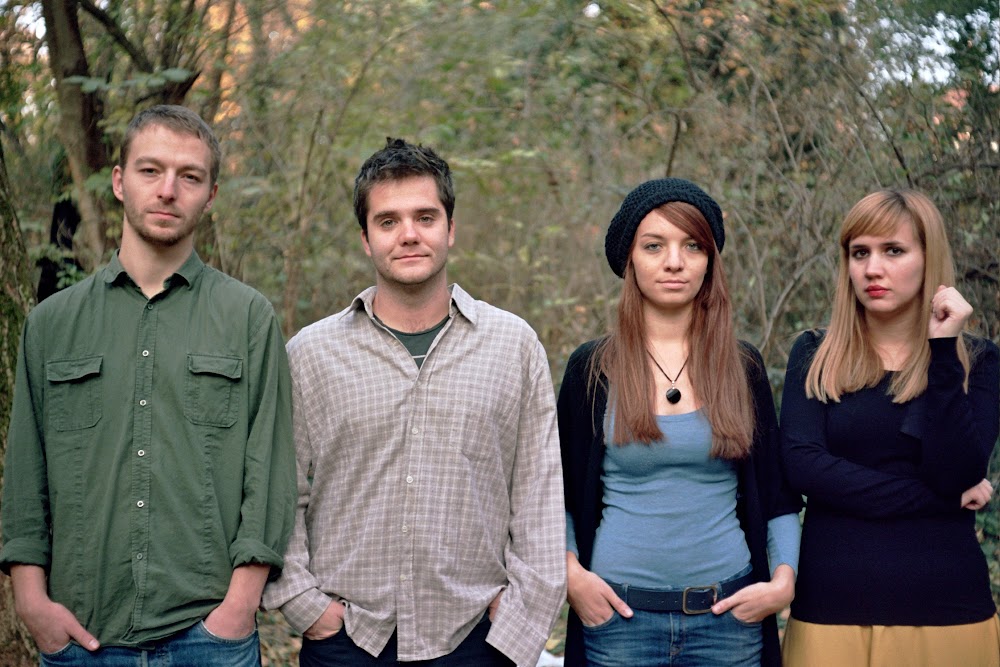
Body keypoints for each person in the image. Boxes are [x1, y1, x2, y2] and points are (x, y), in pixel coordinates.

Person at [0, 104, 297, 666]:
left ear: (210, 195)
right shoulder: (52, 325)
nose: (168, 190)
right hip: (81, 638)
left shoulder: (248, 318)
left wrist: (238, 609)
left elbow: (270, 472)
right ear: (119, 181)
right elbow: (24, 474)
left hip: (209, 639)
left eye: (190, 177)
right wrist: (32, 601)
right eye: (150, 170)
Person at [262, 137, 566, 666]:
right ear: (366, 239)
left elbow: (538, 496)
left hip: (477, 639)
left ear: (451, 228)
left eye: (425, 217)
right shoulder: (310, 354)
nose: (409, 234)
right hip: (348, 640)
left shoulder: (513, 346)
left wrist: (518, 623)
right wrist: (306, 607)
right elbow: (283, 492)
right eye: (388, 221)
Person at [559, 178, 802, 667]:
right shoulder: (593, 368)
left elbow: (777, 495)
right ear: (629, 259)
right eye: (654, 246)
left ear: (710, 260)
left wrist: (783, 582)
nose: (675, 261)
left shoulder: (742, 367)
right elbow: (555, 493)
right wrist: (571, 577)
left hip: (728, 622)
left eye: (693, 246)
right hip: (619, 622)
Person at [780, 188, 1000, 666]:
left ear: (928, 259)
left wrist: (943, 352)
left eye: (893, 251)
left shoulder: (976, 361)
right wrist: (943, 501)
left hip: (949, 613)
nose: (872, 269)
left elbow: (956, 471)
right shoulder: (815, 355)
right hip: (830, 613)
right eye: (860, 253)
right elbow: (804, 468)